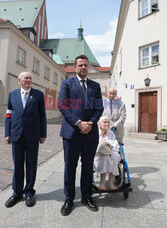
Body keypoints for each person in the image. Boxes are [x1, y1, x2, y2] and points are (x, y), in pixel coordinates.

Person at [58, 54, 103, 216]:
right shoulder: (67, 84)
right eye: (80, 65)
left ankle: (86, 196)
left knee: (88, 166)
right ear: (75, 67)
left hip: (90, 133)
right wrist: (78, 123)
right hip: (71, 132)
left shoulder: (95, 86)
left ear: (88, 67)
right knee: (70, 166)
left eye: (85, 65)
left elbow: (99, 108)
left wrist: (90, 123)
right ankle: (69, 198)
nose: (83, 68)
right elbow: (63, 106)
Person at [5, 71, 47, 208]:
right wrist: (7, 133)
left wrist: (43, 134)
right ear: (19, 80)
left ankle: (29, 192)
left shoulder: (38, 95)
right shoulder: (12, 95)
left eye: (30, 78)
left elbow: (42, 116)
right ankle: (17, 193)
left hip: (33, 135)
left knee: (31, 164)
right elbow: (8, 115)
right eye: (26, 78)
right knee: (17, 164)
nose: (28, 80)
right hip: (16, 134)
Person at [94, 116, 121, 190]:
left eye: (108, 122)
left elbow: (115, 144)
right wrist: (100, 143)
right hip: (98, 155)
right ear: (99, 124)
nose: (107, 124)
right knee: (105, 156)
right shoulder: (95, 133)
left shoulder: (111, 133)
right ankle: (102, 184)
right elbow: (92, 146)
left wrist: (108, 144)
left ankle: (111, 184)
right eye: (105, 122)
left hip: (111, 152)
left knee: (115, 156)